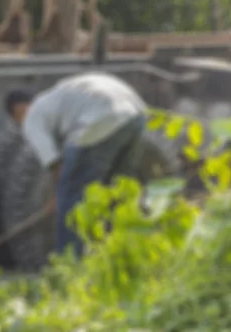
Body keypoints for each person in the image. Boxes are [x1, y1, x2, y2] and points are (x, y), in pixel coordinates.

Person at [22, 72, 148, 256]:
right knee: (118, 193)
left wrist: (58, 196)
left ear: (18, 110)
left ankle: (70, 265)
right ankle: (120, 257)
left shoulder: (31, 116)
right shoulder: (61, 94)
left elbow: (55, 162)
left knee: (71, 198)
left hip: (100, 119)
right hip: (136, 116)